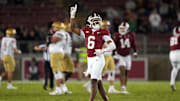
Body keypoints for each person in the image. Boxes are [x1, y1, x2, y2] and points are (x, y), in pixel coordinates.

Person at [70, 4, 116, 101]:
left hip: (99, 58)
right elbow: (72, 29)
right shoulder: (86, 31)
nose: (96, 23)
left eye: (97, 21)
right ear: (90, 23)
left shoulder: (104, 32)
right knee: (99, 83)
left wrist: (103, 50)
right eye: (94, 21)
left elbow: (113, 46)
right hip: (90, 59)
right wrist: (72, 16)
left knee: (93, 81)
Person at [113, 22, 137, 94]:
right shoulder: (116, 35)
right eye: (120, 28)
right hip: (120, 55)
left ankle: (124, 87)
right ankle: (123, 87)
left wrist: (135, 51)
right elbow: (113, 44)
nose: (122, 30)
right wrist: (114, 53)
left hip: (128, 56)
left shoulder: (131, 35)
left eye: (123, 29)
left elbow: (133, 44)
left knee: (126, 72)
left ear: (127, 29)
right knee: (122, 70)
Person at [101, 20, 120, 93]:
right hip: (104, 55)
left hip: (109, 54)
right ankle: (91, 85)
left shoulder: (107, 33)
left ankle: (111, 88)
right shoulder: (101, 33)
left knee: (112, 70)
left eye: (107, 26)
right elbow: (102, 43)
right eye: (105, 26)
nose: (107, 27)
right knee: (101, 73)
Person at [48, 21, 67, 95]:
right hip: (58, 52)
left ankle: (58, 89)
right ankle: (62, 88)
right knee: (59, 71)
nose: (52, 28)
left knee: (56, 71)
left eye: (54, 27)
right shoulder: (61, 32)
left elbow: (52, 40)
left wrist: (51, 34)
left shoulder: (59, 33)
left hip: (56, 53)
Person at [60, 22, 74, 94]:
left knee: (69, 71)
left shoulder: (67, 34)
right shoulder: (63, 34)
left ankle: (62, 85)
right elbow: (61, 45)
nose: (70, 28)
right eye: (68, 27)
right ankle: (62, 87)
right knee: (64, 71)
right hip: (64, 55)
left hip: (67, 54)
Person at [169, 27, 180, 91]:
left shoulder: (171, 38)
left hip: (172, 54)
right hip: (178, 53)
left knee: (175, 68)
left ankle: (172, 82)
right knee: (177, 67)